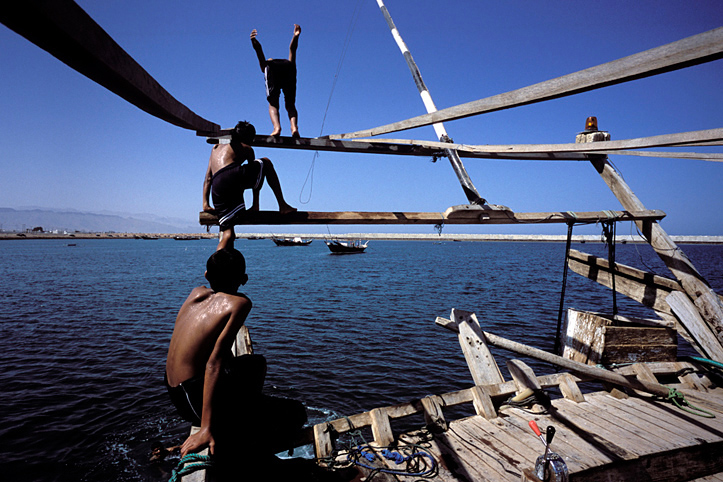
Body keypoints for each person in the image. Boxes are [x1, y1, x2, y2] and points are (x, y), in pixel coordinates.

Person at [164, 249, 308, 477]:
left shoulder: (196, 292)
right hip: (192, 398)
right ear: (244, 280)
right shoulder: (238, 304)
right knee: (297, 413)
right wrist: (206, 429)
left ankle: (244, 411)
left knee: (256, 363)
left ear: (206, 274)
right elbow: (214, 362)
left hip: (174, 391)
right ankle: (242, 438)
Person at [202, 121, 296, 251]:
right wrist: (255, 204)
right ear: (248, 138)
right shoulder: (246, 148)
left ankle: (216, 264)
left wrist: (205, 204)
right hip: (232, 177)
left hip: (217, 187)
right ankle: (282, 205)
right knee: (266, 163)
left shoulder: (215, 148)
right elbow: (257, 177)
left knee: (228, 232)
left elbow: (208, 178)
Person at [250, 24, 301, 137]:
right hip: (289, 69)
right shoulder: (289, 64)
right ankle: (294, 127)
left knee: (273, 103)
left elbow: (259, 52)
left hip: (272, 69)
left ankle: (277, 128)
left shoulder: (266, 65)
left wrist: (254, 42)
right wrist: (295, 36)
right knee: (291, 104)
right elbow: (293, 49)